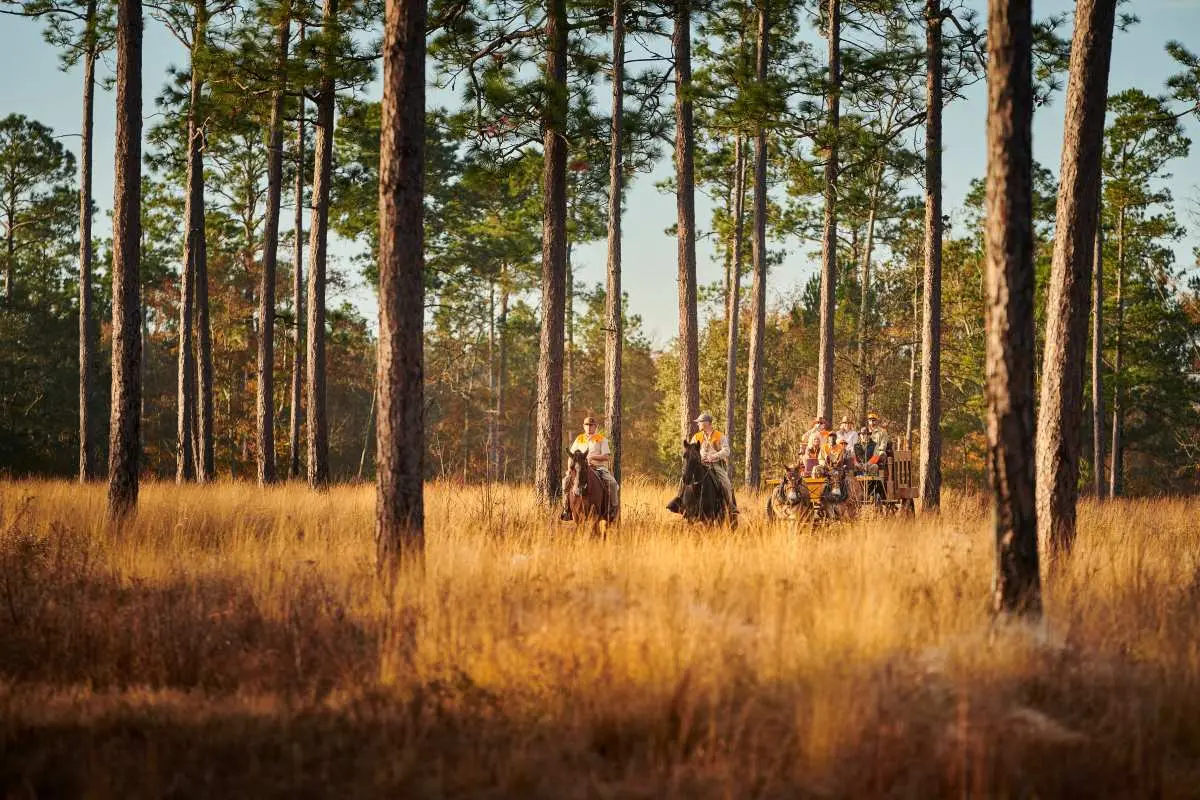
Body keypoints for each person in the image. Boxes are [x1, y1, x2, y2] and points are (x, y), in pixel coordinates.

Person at [667, 412, 738, 521]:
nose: (698, 424)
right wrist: (700, 455)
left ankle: (730, 506)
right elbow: (690, 450)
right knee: (684, 478)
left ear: (706, 423)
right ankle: (679, 500)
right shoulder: (697, 436)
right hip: (700, 464)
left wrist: (714, 456)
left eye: (699, 422)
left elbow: (726, 450)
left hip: (715, 465)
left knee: (726, 482)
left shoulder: (719, 435)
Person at [560, 414, 620, 521]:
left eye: (591, 425)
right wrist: (570, 468)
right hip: (579, 469)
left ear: (595, 426)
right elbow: (572, 456)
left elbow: (606, 457)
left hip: (598, 468)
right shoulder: (579, 438)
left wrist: (592, 457)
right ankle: (566, 509)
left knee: (613, 484)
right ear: (584, 426)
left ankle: (612, 509)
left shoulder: (601, 439)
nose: (589, 427)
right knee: (565, 482)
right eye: (587, 425)